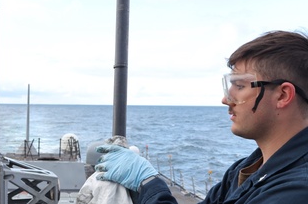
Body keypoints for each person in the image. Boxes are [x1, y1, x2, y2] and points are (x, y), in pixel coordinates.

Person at [95, 30, 308, 204]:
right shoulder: (245, 169)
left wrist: (149, 183)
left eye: (240, 86)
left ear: (282, 95)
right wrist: (149, 182)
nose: (226, 100)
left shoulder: (296, 190)